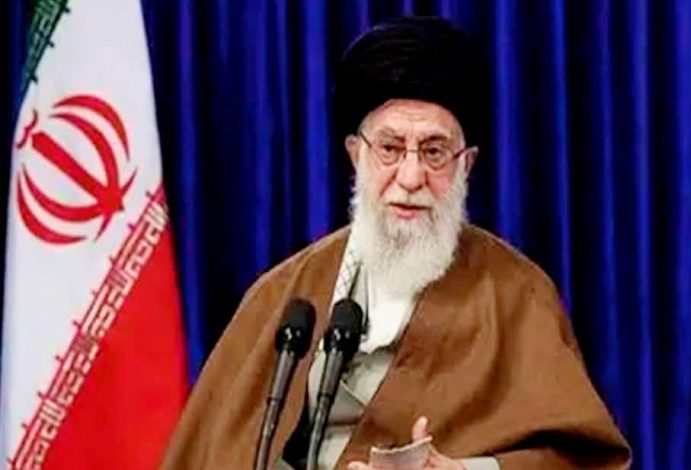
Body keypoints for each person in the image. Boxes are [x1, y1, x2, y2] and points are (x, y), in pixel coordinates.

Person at [161, 16, 631, 470]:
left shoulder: (515, 296)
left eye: (433, 151)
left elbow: (580, 462)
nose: (410, 177)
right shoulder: (283, 295)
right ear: (356, 155)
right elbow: (209, 451)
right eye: (390, 148)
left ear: (466, 164)